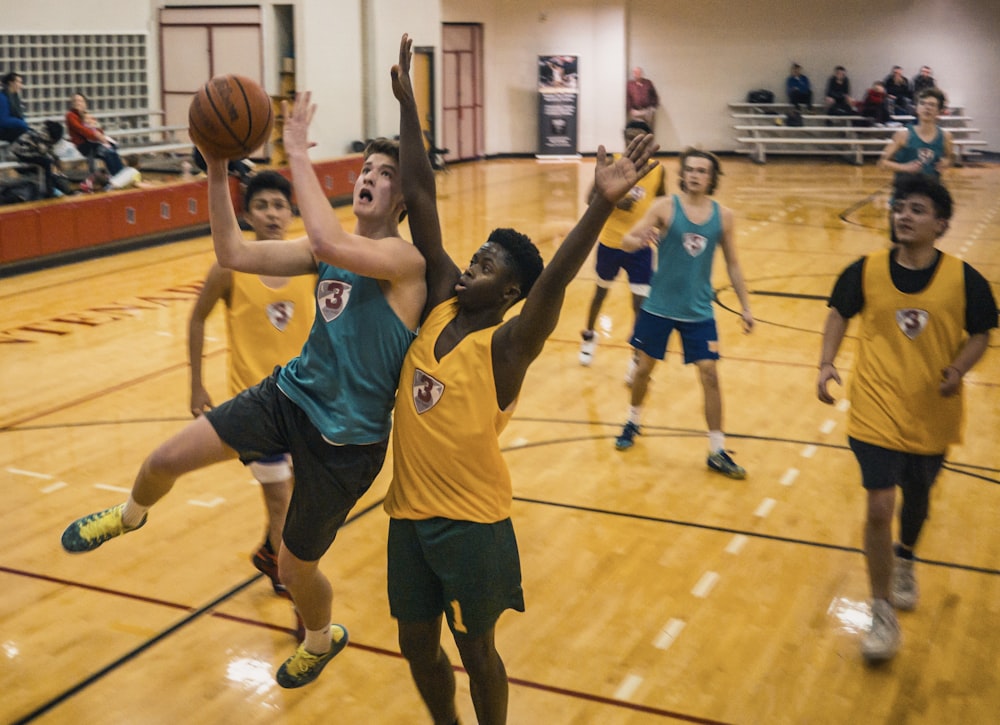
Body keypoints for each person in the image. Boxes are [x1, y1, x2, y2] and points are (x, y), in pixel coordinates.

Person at [60, 91, 427, 690]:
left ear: (404, 199)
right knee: (163, 459)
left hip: (348, 442)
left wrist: (298, 152)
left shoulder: (401, 260)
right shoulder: (324, 251)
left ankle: (319, 638)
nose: (369, 179)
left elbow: (336, 244)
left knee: (294, 564)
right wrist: (215, 168)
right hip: (287, 397)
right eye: (365, 169)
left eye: (385, 175)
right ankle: (129, 517)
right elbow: (231, 252)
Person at [388, 33, 658, 724]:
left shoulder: (509, 345)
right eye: (480, 251)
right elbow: (419, 193)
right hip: (407, 515)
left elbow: (558, 279)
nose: (477, 257)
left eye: (494, 261)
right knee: (416, 644)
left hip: (473, 522)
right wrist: (409, 104)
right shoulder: (442, 297)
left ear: (511, 293)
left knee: (477, 650)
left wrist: (598, 203)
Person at [816, 174, 996, 662]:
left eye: (917, 210)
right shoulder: (864, 270)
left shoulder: (964, 279)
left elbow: (982, 331)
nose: (904, 216)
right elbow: (838, 313)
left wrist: (959, 367)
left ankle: (906, 558)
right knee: (878, 505)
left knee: (917, 498)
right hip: (874, 404)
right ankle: (880, 613)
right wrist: (826, 362)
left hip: (931, 409)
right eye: (900, 208)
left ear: (940, 224)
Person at [187, 170, 317, 598]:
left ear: (291, 211)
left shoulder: (310, 264)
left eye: (279, 205)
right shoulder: (230, 268)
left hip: (305, 398)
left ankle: (269, 550)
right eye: (262, 205)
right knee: (280, 497)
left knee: (297, 495)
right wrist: (197, 385)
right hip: (255, 404)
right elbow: (197, 318)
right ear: (246, 214)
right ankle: (289, 579)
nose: (272, 214)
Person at [613, 148, 754, 480]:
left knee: (710, 374)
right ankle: (633, 420)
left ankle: (717, 450)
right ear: (683, 174)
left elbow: (733, 263)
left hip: (699, 310)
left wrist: (746, 306)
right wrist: (638, 240)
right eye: (690, 169)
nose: (694, 175)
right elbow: (627, 239)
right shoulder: (665, 207)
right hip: (659, 307)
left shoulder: (724, 216)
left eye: (702, 171)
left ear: (712, 178)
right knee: (644, 369)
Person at [579, 119, 666, 376]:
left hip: (640, 246)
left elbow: (661, 201)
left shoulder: (658, 171)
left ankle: (636, 354)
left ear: (648, 141)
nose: (633, 143)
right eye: (629, 138)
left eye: (638, 138)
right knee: (600, 294)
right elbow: (589, 198)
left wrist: (661, 229)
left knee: (640, 304)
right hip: (610, 243)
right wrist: (617, 202)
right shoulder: (611, 163)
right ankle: (589, 335)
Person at [65, 92, 125, 175]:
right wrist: (96, 136)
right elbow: (81, 129)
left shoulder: (87, 115)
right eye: (75, 101)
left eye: (80, 101)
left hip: (95, 142)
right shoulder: (70, 115)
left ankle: (121, 175)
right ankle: (116, 176)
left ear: (85, 103)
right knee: (107, 152)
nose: (78, 103)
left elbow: (99, 129)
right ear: (72, 103)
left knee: (112, 152)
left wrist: (99, 134)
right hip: (84, 145)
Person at [626, 66, 659, 130]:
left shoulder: (648, 83)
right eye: (635, 72)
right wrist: (630, 110)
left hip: (647, 111)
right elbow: (628, 98)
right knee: (637, 130)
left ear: (641, 73)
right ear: (633, 74)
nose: (637, 74)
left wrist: (652, 108)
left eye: (638, 72)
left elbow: (654, 96)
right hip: (635, 112)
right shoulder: (630, 85)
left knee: (648, 130)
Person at [0, 71, 30, 142]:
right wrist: (21, 123)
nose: (21, 85)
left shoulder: (15, 97)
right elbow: (3, 120)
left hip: (11, 128)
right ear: (11, 83)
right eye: (19, 82)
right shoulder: (2, 97)